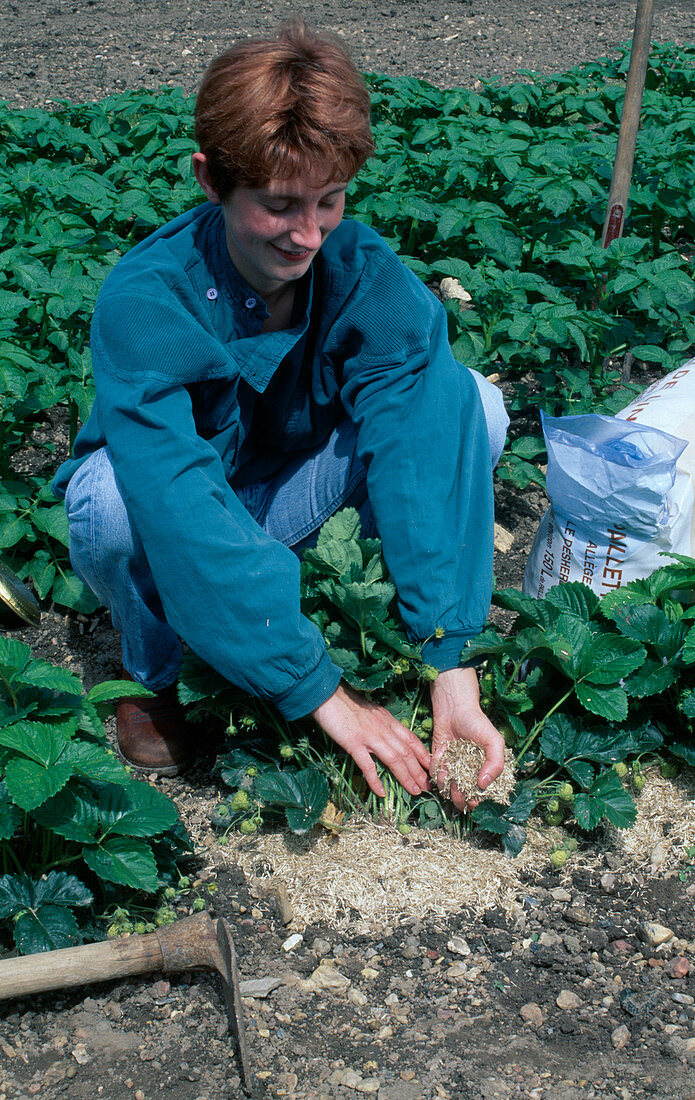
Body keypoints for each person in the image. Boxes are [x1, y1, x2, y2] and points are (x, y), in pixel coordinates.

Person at [53, 20, 509, 810]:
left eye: (329, 200)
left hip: (285, 495)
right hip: (176, 515)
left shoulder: (360, 268)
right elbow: (177, 494)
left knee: (472, 403)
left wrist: (451, 660)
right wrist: (320, 691)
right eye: (278, 206)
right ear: (211, 180)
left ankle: (329, 612)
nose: (308, 234)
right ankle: (154, 669)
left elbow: (420, 429)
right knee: (110, 498)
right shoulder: (147, 298)